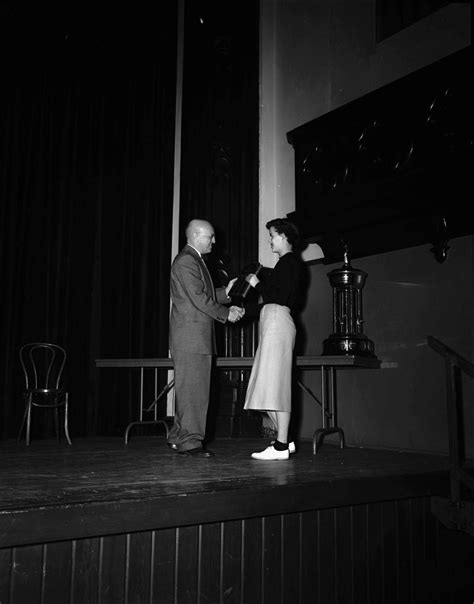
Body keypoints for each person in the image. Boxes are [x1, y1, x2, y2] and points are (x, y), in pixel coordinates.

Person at [168, 219, 245, 457]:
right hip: (192, 339)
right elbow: (199, 299)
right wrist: (226, 313)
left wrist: (228, 293)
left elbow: (205, 294)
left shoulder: (192, 261)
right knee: (194, 393)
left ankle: (179, 437)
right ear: (195, 236)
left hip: (193, 338)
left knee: (190, 391)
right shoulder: (187, 261)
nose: (213, 241)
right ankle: (190, 443)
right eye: (209, 237)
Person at [243, 218, 304, 460]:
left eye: (272, 235)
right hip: (274, 323)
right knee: (269, 386)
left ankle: (280, 446)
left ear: (284, 236)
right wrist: (243, 312)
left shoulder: (289, 263)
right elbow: (272, 302)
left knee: (275, 386)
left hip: (277, 324)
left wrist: (257, 284)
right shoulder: (286, 264)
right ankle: (285, 441)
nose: (270, 240)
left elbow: (277, 297)